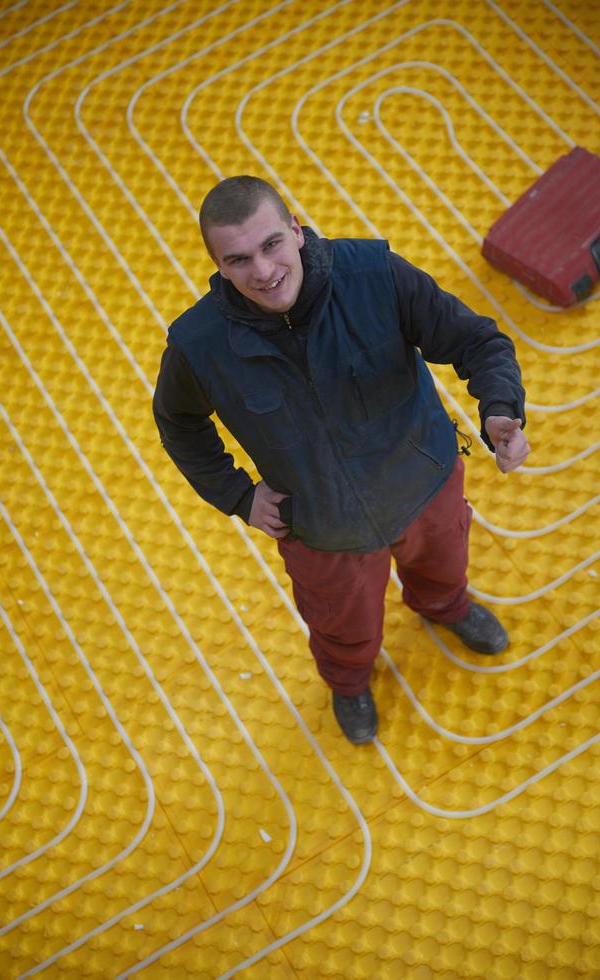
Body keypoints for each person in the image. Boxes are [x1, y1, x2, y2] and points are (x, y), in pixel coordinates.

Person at [153, 175, 530, 744]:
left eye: (271, 244)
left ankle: (445, 606)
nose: (262, 270)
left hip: (425, 482)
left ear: (297, 230)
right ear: (218, 265)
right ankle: (350, 680)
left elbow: (477, 341)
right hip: (321, 528)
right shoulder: (198, 345)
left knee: (444, 562)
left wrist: (500, 407)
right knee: (340, 623)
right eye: (238, 259)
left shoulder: (375, 276)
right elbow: (177, 423)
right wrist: (238, 495)